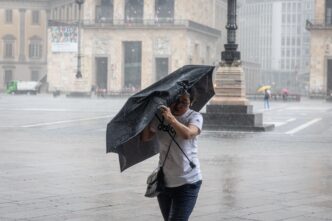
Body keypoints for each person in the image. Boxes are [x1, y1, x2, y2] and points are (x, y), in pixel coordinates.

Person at [141, 89, 203, 221]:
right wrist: (147, 115)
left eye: (184, 102)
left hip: (188, 182)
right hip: (164, 182)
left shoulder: (194, 117)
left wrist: (171, 120)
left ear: (191, 103)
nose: (179, 105)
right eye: (176, 100)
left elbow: (188, 134)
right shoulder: (160, 116)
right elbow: (146, 137)